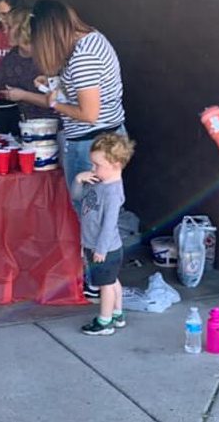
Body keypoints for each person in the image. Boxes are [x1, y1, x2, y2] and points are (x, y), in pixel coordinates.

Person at [30, 0, 127, 302]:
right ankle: (104, 282)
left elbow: (89, 113)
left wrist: (55, 102)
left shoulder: (83, 56)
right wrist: (56, 81)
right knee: (102, 214)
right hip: (103, 139)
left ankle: (100, 282)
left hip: (90, 143)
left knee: (92, 215)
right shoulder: (92, 40)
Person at [71, 133, 135, 335]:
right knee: (112, 280)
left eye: (97, 165)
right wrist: (78, 180)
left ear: (115, 164)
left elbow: (109, 224)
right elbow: (77, 197)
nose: (92, 169)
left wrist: (101, 249)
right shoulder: (97, 181)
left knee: (105, 284)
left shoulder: (113, 192)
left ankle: (105, 321)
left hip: (105, 248)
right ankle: (117, 314)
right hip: (93, 243)